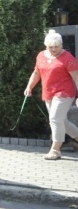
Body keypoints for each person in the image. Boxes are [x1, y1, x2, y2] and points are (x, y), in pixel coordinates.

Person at [23, 30, 78, 160]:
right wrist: (29, 87)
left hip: (64, 92)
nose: (53, 49)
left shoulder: (68, 58)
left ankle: (55, 150)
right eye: (50, 47)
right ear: (46, 46)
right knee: (62, 121)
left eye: (56, 47)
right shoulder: (41, 55)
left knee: (54, 119)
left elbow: (76, 77)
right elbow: (37, 73)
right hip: (48, 92)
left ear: (61, 45)